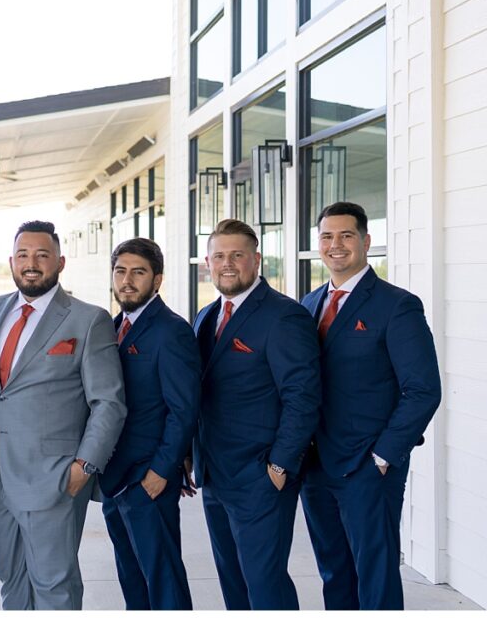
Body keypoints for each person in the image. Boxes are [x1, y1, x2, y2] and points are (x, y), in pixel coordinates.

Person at [0, 220, 126, 610]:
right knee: (12, 583)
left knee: (55, 588)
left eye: (42, 255)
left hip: (53, 478)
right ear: (11, 261)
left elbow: (109, 402)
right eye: (23, 255)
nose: (31, 263)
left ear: (60, 262)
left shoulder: (87, 319)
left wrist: (84, 467)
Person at [300, 202, 441, 610]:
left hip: (367, 468)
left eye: (346, 235)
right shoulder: (309, 305)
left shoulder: (397, 305)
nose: (336, 245)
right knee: (333, 572)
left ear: (366, 241)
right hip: (315, 465)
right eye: (327, 236)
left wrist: (383, 457)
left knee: (375, 576)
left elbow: (423, 390)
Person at [192, 218, 321, 610]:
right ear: (208, 264)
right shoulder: (207, 316)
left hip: (260, 476)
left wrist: (279, 466)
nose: (227, 264)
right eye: (219, 256)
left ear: (257, 260)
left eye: (237, 255)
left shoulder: (284, 316)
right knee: (233, 582)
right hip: (214, 474)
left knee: (265, 586)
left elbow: (303, 397)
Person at [99, 237, 199, 610]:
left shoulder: (170, 330)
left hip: (148, 479)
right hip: (115, 478)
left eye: (138, 272)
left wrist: (162, 469)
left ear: (157, 280)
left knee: (163, 580)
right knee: (132, 579)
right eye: (120, 271)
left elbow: (184, 409)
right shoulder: (112, 327)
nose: (127, 280)